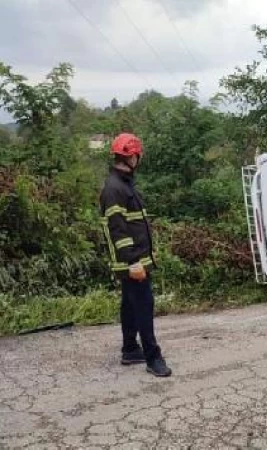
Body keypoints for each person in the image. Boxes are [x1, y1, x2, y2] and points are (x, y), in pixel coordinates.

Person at [100, 132, 172, 377]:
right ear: (132, 156)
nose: (138, 160)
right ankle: (153, 358)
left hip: (136, 258)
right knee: (143, 305)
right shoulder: (114, 188)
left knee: (130, 305)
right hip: (132, 260)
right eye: (137, 156)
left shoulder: (124, 184)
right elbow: (118, 229)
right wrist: (133, 262)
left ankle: (131, 349)